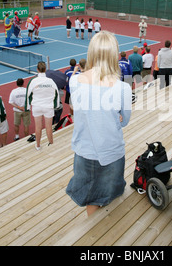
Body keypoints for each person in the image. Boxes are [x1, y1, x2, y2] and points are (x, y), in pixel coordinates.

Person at [66, 30, 132, 216]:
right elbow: (124, 121)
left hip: (84, 152)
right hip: (112, 152)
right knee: (109, 195)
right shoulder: (123, 88)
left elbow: (80, 108)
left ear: (92, 53)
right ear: (114, 54)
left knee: (92, 199)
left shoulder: (75, 80)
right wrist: (113, 117)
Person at [25, 61, 59, 150]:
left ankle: (38, 145)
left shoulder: (33, 81)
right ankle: (51, 144)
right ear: (45, 69)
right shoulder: (50, 81)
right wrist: (56, 105)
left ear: (37, 69)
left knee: (38, 127)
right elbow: (57, 94)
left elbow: (27, 94)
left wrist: (27, 107)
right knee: (49, 127)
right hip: (48, 107)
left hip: (36, 107)